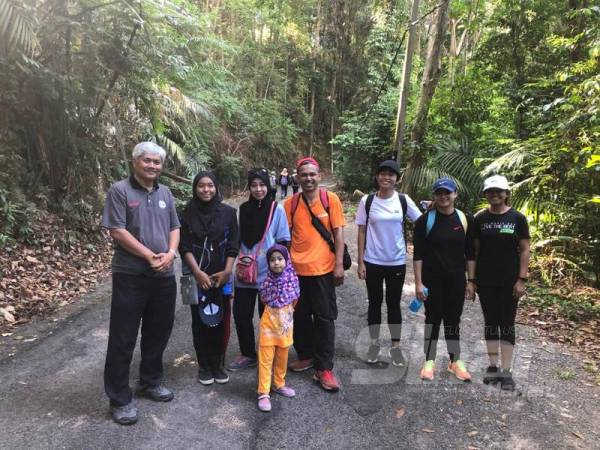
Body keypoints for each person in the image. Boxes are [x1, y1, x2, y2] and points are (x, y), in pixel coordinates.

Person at [101, 141, 180, 425]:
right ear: (135, 162)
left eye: (157, 162)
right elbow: (116, 230)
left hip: (163, 275)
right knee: (123, 337)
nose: (152, 166)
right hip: (131, 275)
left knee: (158, 332)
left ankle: (150, 381)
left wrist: (170, 254)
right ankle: (119, 398)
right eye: (147, 161)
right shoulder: (120, 190)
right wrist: (149, 255)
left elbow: (175, 227)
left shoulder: (166, 193)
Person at [284, 156, 345, 392]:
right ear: (297, 178)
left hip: (323, 270)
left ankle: (324, 368)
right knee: (299, 316)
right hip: (296, 271)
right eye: (303, 175)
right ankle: (306, 354)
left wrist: (339, 264)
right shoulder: (290, 204)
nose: (308, 178)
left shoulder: (330, 200)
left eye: (312, 174)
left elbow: (338, 234)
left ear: (319, 176)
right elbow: (286, 237)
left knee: (324, 318)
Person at [356, 160, 421, 366]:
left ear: (397, 178)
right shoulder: (367, 201)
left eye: (391, 174)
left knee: (393, 304)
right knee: (374, 303)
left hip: (396, 261)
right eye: (383, 173)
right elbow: (361, 231)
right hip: (372, 260)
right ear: (377, 177)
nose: (387, 177)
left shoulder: (403, 200)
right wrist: (360, 261)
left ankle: (395, 348)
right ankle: (374, 344)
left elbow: (421, 221)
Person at [178, 171, 239, 386]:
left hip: (221, 276)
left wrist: (227, 271)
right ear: (195, 188)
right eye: (201, 186)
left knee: (221, 320)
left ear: (216, 187)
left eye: (210, 185)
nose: (206, 190)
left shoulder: (229, 213)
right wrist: (197, 272)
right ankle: (204, 365)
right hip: (197, 277)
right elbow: (183, 246)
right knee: (199, 321)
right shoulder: (185, 214)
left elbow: (233, 244)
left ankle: (218, 364)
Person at [413, 177, 476, 382]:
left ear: (455, 194)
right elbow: (418, 255)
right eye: (439, 193)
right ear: (434, 196)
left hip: (456, 279)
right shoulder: (425, 221)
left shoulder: (464, 219)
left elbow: (470, 253)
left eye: (447, 193)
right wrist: (419, 283)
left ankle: (454, 361)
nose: (443, 196)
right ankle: (429, 361)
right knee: (432, 319)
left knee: (453, 321)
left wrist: (471, 281)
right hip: (432, 280)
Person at [228, 169, 290, 371]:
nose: (258, 189)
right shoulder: (243, 209)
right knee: (241, 314)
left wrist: (279, 269)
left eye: (262, 185)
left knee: (268, 317)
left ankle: (267, 354)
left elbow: (283, 240)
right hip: (246, 272)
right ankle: (248, 354)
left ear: (268, 186)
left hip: (268, 274)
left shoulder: (275, 209)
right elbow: (237, 238)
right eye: (253, 185)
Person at [474, 175, 530, 390]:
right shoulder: (480, 218)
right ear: (486, 194)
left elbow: (524, 249)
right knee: (490, 323)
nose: (495, 194)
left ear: (506, 193)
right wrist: (472, 279)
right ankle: (492, 366)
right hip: (486, 280)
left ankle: (506, 371)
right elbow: (476, 251)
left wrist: (521, 279)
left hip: (509, 280)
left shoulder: (517, 218)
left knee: (506, 324)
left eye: (499, 191)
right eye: (491, 191)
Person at [256, 244, 299, 412]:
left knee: (282, 357)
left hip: (286, 325)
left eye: (280, 259)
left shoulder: (293, 279)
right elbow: (264, 299)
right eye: (272, 260)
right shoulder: (267, 281)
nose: (276, 263)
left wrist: (285, 314)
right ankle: (263, 392)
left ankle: (279, 384)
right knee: (265, 360)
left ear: (286, 260)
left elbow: (295, 299)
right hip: (268, 326)